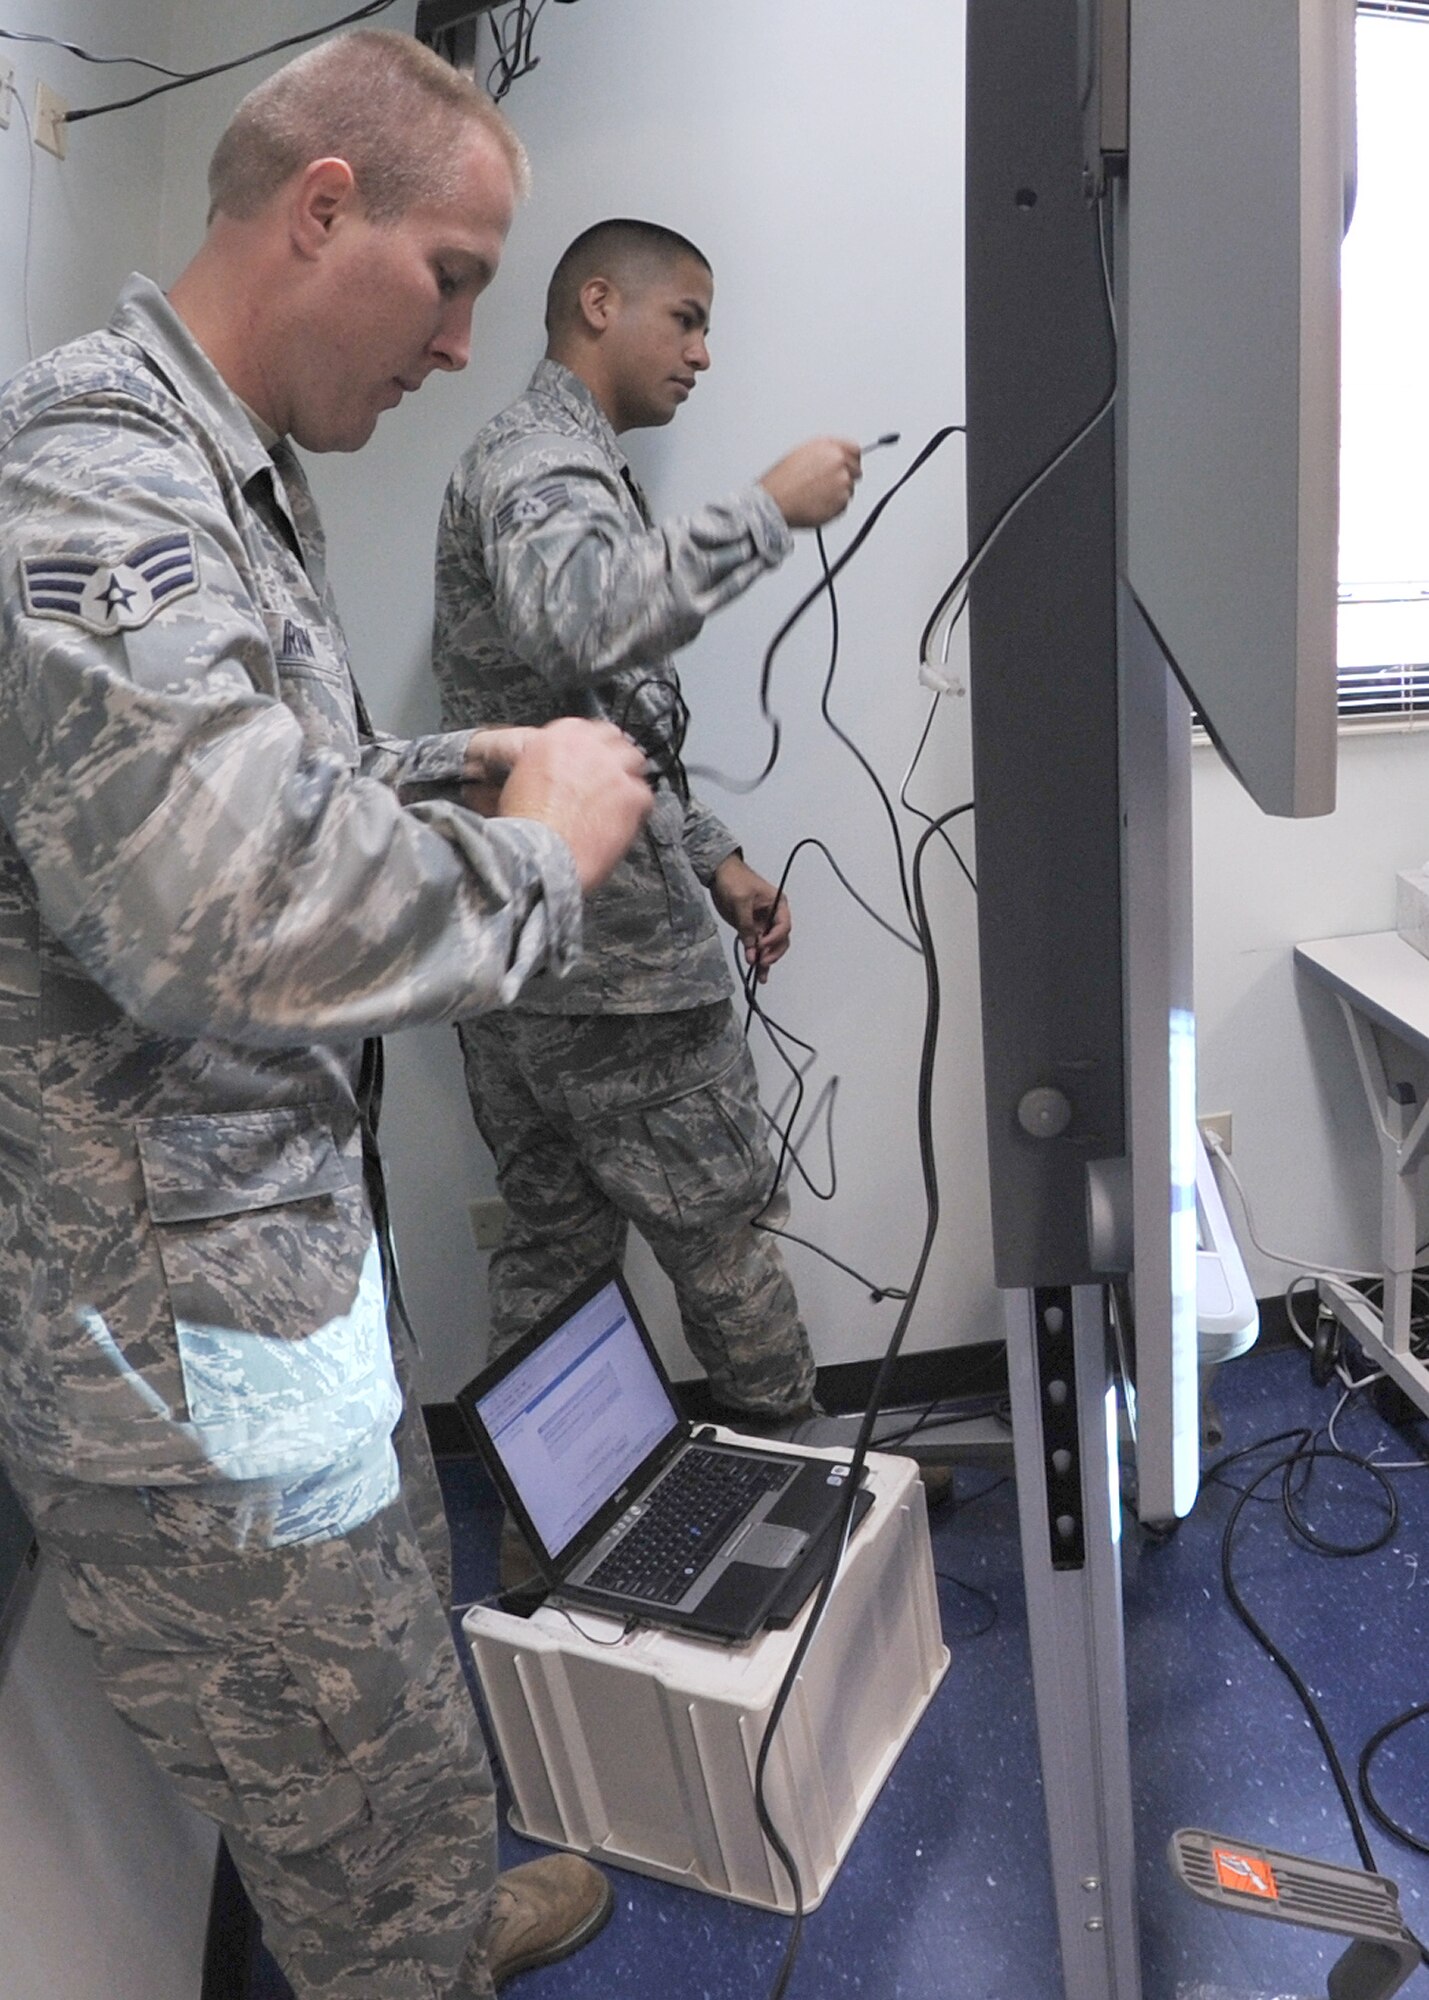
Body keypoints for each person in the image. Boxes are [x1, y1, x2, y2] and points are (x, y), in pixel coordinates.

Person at [0, 32, 653, 2000]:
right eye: (454, 275)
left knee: (370, 1688)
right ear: (321, 208)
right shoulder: (101, 482)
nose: (464, 344)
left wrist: (481, 766)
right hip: (184, 1337)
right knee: (347, 1758)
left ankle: (430, 1916)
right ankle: (412, 1948)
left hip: (247, 1253)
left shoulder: (219, 462)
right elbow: (231, 903)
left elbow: (267, 780)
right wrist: (533, 863)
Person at [432, 220, 861, 1506]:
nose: (705, 352)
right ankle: (805, 1502)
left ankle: (554, 1528)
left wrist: (717, 856)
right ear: (599, 304)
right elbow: (581, 617)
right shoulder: (542, 460)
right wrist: (770, 512)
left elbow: (602, 704)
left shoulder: (564, 464)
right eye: (686, 318)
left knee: (555, 1249)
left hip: (525, 949)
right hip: (611, 972)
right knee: (718, 1232)